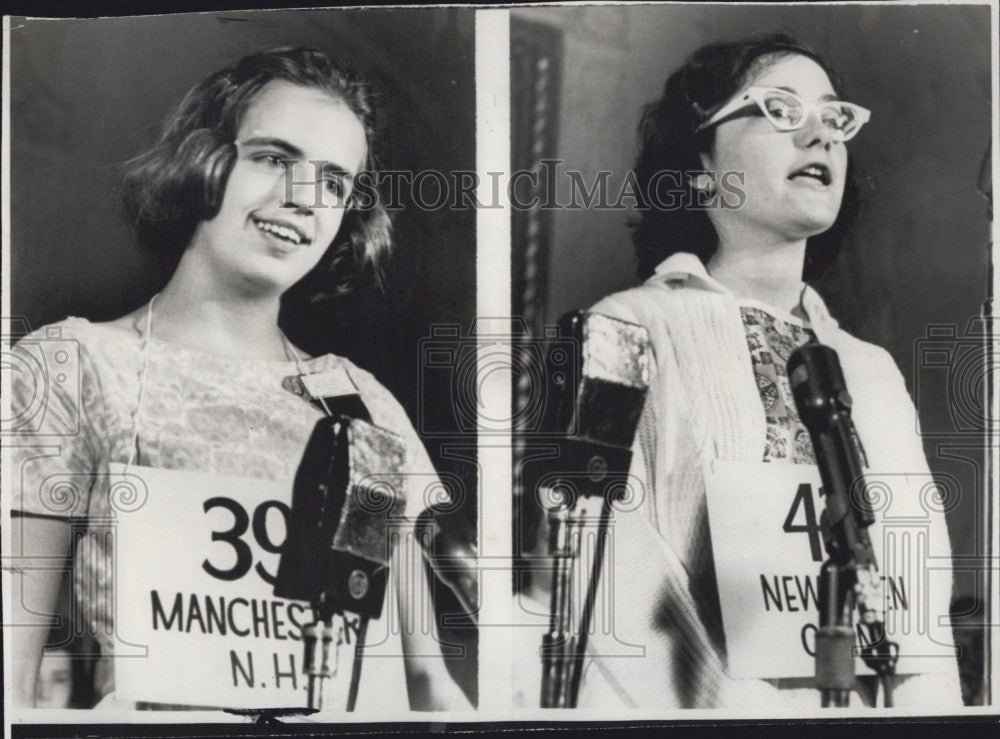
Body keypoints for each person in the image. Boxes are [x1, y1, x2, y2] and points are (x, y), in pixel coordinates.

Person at [9, 47, 470, 712]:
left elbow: (424, 686)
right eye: (273, 158)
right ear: (203, 161)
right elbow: (9, 677)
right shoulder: (71, 367)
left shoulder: (360, 404)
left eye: (334, 181)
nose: (301, 199)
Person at [580, 33, 962, 708]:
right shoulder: (628, 327)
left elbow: (919, 605)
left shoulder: (874, 375)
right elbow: (599, 565)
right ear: (700, 162)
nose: (821, 135)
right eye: (781, 109)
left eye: (836, 118)